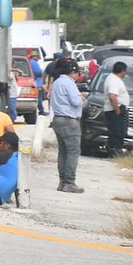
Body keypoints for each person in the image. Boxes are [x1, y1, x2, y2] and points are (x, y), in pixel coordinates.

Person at [50, 58, 87, 193]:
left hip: (58, 119)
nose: (78, 75)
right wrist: (82, 97)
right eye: (77, 72)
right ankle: (69, 182)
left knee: (63, 152)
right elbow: (76, 102)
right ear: (72, 71)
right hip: (69, 121)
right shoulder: (69, 83)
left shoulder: (57, 82)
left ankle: (62, 181)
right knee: (73, 152)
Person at [103, 61, 130, 158]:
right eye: (125, 71)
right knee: (116, 133)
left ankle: (116, 150)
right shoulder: (113, 80)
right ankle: (114, 152)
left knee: (119, 131)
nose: (125, 74)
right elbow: (112, 96)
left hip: (116, 110)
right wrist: (117, 110)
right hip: (114, 111)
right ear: (122, 71)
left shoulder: (114, 79)